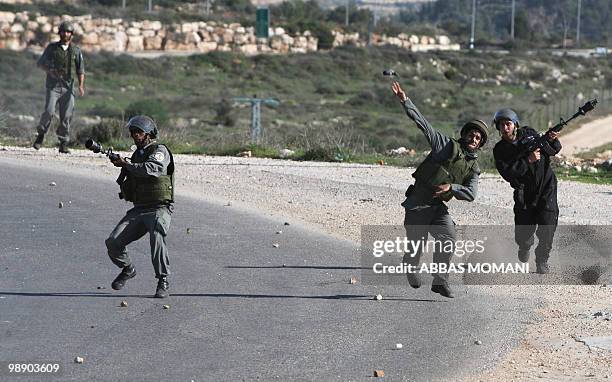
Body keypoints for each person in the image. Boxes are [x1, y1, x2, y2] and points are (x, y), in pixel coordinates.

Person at [392, 81, 488, 298]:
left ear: (480, 144)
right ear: (464, 135)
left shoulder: (473, 167)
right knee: (417, 245)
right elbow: (424, 125)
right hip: (418, 201)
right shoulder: (446, 145)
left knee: (449, 237)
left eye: (478, 138)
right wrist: (405, 102)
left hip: (437, 207)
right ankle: (410, 264)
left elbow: (471, 194)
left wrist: (452, 187)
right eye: (472, 134)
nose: (474, 139)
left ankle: (440, 281)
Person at [105, 115, 175, 298]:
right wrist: (124, 165)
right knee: (113, 242)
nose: (135, 135)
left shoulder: (160, 151)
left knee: (157, 236)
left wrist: (127, 164)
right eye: (133, 132)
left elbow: (151, 169)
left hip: (159, 207)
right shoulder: (137, 154)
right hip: (139, 209)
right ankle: (128, 269)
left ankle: (163, 280)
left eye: (139, 132)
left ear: (149, 134)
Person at [492, 109, 560, 274]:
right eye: (501, 125)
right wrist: (528, 161)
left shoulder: (529, 134)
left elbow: (553, 150)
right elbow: (508, 173)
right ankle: (524, 246)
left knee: (548, 224)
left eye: (508, 124)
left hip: (546, 186)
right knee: (524, 232)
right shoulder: (500, 149)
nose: (505, 127)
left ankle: (542, 260)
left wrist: (552, 140)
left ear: (515, 124)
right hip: (524, 192)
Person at [33, 20, 85, 153]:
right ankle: (41, 135)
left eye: (68, 32)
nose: (65, 34)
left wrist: (81, 86)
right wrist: (50, 71)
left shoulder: (76, 50)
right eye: (63, 31)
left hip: (68, 87)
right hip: (53, 86)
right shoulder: (52, 48)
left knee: (67, 115)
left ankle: (63, 143)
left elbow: (81, 70)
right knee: (49, 111)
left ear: (71, 34)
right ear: (59, 33)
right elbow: (40, 63)